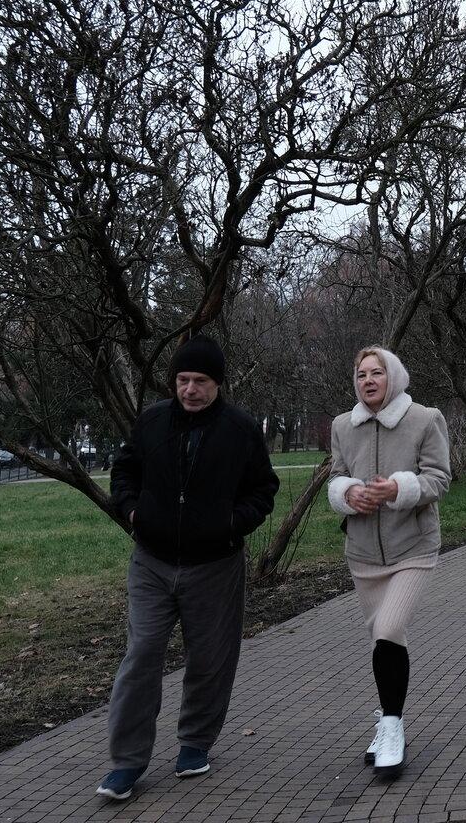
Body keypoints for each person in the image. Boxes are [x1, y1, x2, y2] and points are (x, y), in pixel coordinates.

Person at [96, 336, 280, 801]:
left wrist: (231, 524)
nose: (190, 390)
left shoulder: (240, 429)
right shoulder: (152, 421)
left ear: (217, 384)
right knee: (142, 654)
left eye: (200, 381)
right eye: (183, 380)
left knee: (210, 658)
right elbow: (124, 472)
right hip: (152, 561)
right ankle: (127, 762)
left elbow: (263, 488)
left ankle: (195, 744)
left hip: (215, 565)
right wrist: (133, 512)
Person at [326, 346, 452, 779]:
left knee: (388, 629)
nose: (368, 381)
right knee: (383, 640)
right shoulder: (343, 425)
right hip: (362, 553)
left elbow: (439, 479)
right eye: (361, 374)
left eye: (377, 373)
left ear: (393, 376)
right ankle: (386, 721)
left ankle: (392, 728)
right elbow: (336, 475)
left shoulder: (425, 419)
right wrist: (347, 493)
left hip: (413, 547)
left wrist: (398, 488)